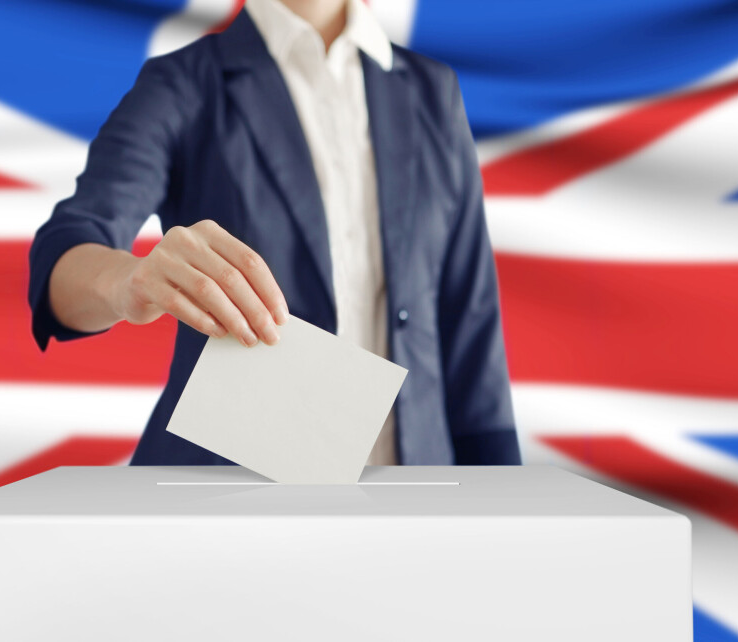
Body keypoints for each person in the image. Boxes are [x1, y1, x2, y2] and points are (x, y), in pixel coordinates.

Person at [28, 0, 522, 466]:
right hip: (233, 494)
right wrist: (130, 281)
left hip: (414, 488)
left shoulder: (433, 92)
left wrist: (503, 516)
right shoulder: (184, 84)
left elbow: (470, 328)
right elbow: (67, 251)